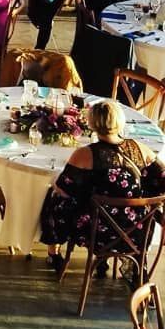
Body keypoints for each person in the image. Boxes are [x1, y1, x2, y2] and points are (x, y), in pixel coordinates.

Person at [39, 99, 165, 273]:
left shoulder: (84, 154)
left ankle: (54, 254)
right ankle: (107, 261)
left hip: (95, 232)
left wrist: (53, 182)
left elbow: (64, 189)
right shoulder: (140, 149)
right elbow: (161, 181)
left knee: (54, 196)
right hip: (135, 231)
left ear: (91, 124)